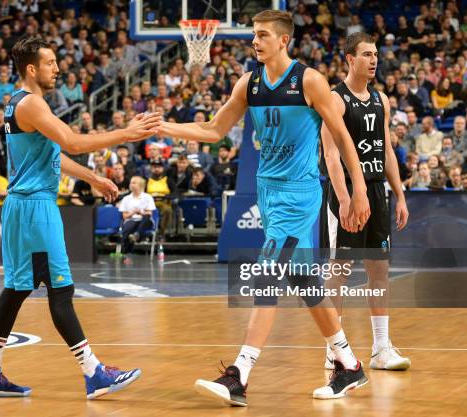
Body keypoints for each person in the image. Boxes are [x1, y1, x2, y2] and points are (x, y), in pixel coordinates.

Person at [158, 10, 371, 405]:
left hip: (299, 193)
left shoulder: (309, 81)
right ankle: (349, 364)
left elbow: (342, 137)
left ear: (282, 40)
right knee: (304, 280)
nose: (254, 41)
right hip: (267, 192)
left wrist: (356, 190)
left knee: (267, 274)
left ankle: (240, 373)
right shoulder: (249, 83)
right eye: (253, 35)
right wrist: (165, 127)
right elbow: (214, 130)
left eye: (261, 35)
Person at [0, 36, 161, 399]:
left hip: (23, 208)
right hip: (34, 209)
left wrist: (92, 177)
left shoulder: (18, 102)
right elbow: (71, 142)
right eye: (51, 62)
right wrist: (127, 133)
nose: (57, 68)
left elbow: (54, 154)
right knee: (61, 290)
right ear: (31, 68)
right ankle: (94, 372)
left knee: (17, 289)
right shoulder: (32, 104)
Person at [321, 32, 411, 373]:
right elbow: (330, 154)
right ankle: (334, 351)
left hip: (376, 192)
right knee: (339, 272)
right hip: (346, 194)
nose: (373, 60)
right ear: (349, 59)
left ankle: (381, 349)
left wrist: (399, 194)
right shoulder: (334, 98)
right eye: (366, 54)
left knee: (380, 272)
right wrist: (344, 198)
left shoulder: (382, 100)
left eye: (375, 54)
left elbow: (387, 150)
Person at [118, 176, 156, 262]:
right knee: (127, 228)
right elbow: (124, 216)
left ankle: (137, 235)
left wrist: (140, 212)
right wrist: (133, 213)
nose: (131, 184)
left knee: (146, 218)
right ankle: (126, 253)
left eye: (134, 183)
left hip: (144, 220)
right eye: (131, 182)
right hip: (131, 219)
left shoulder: (148, 197)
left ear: (140, 185)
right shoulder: (126, 199)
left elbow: (149, 213)